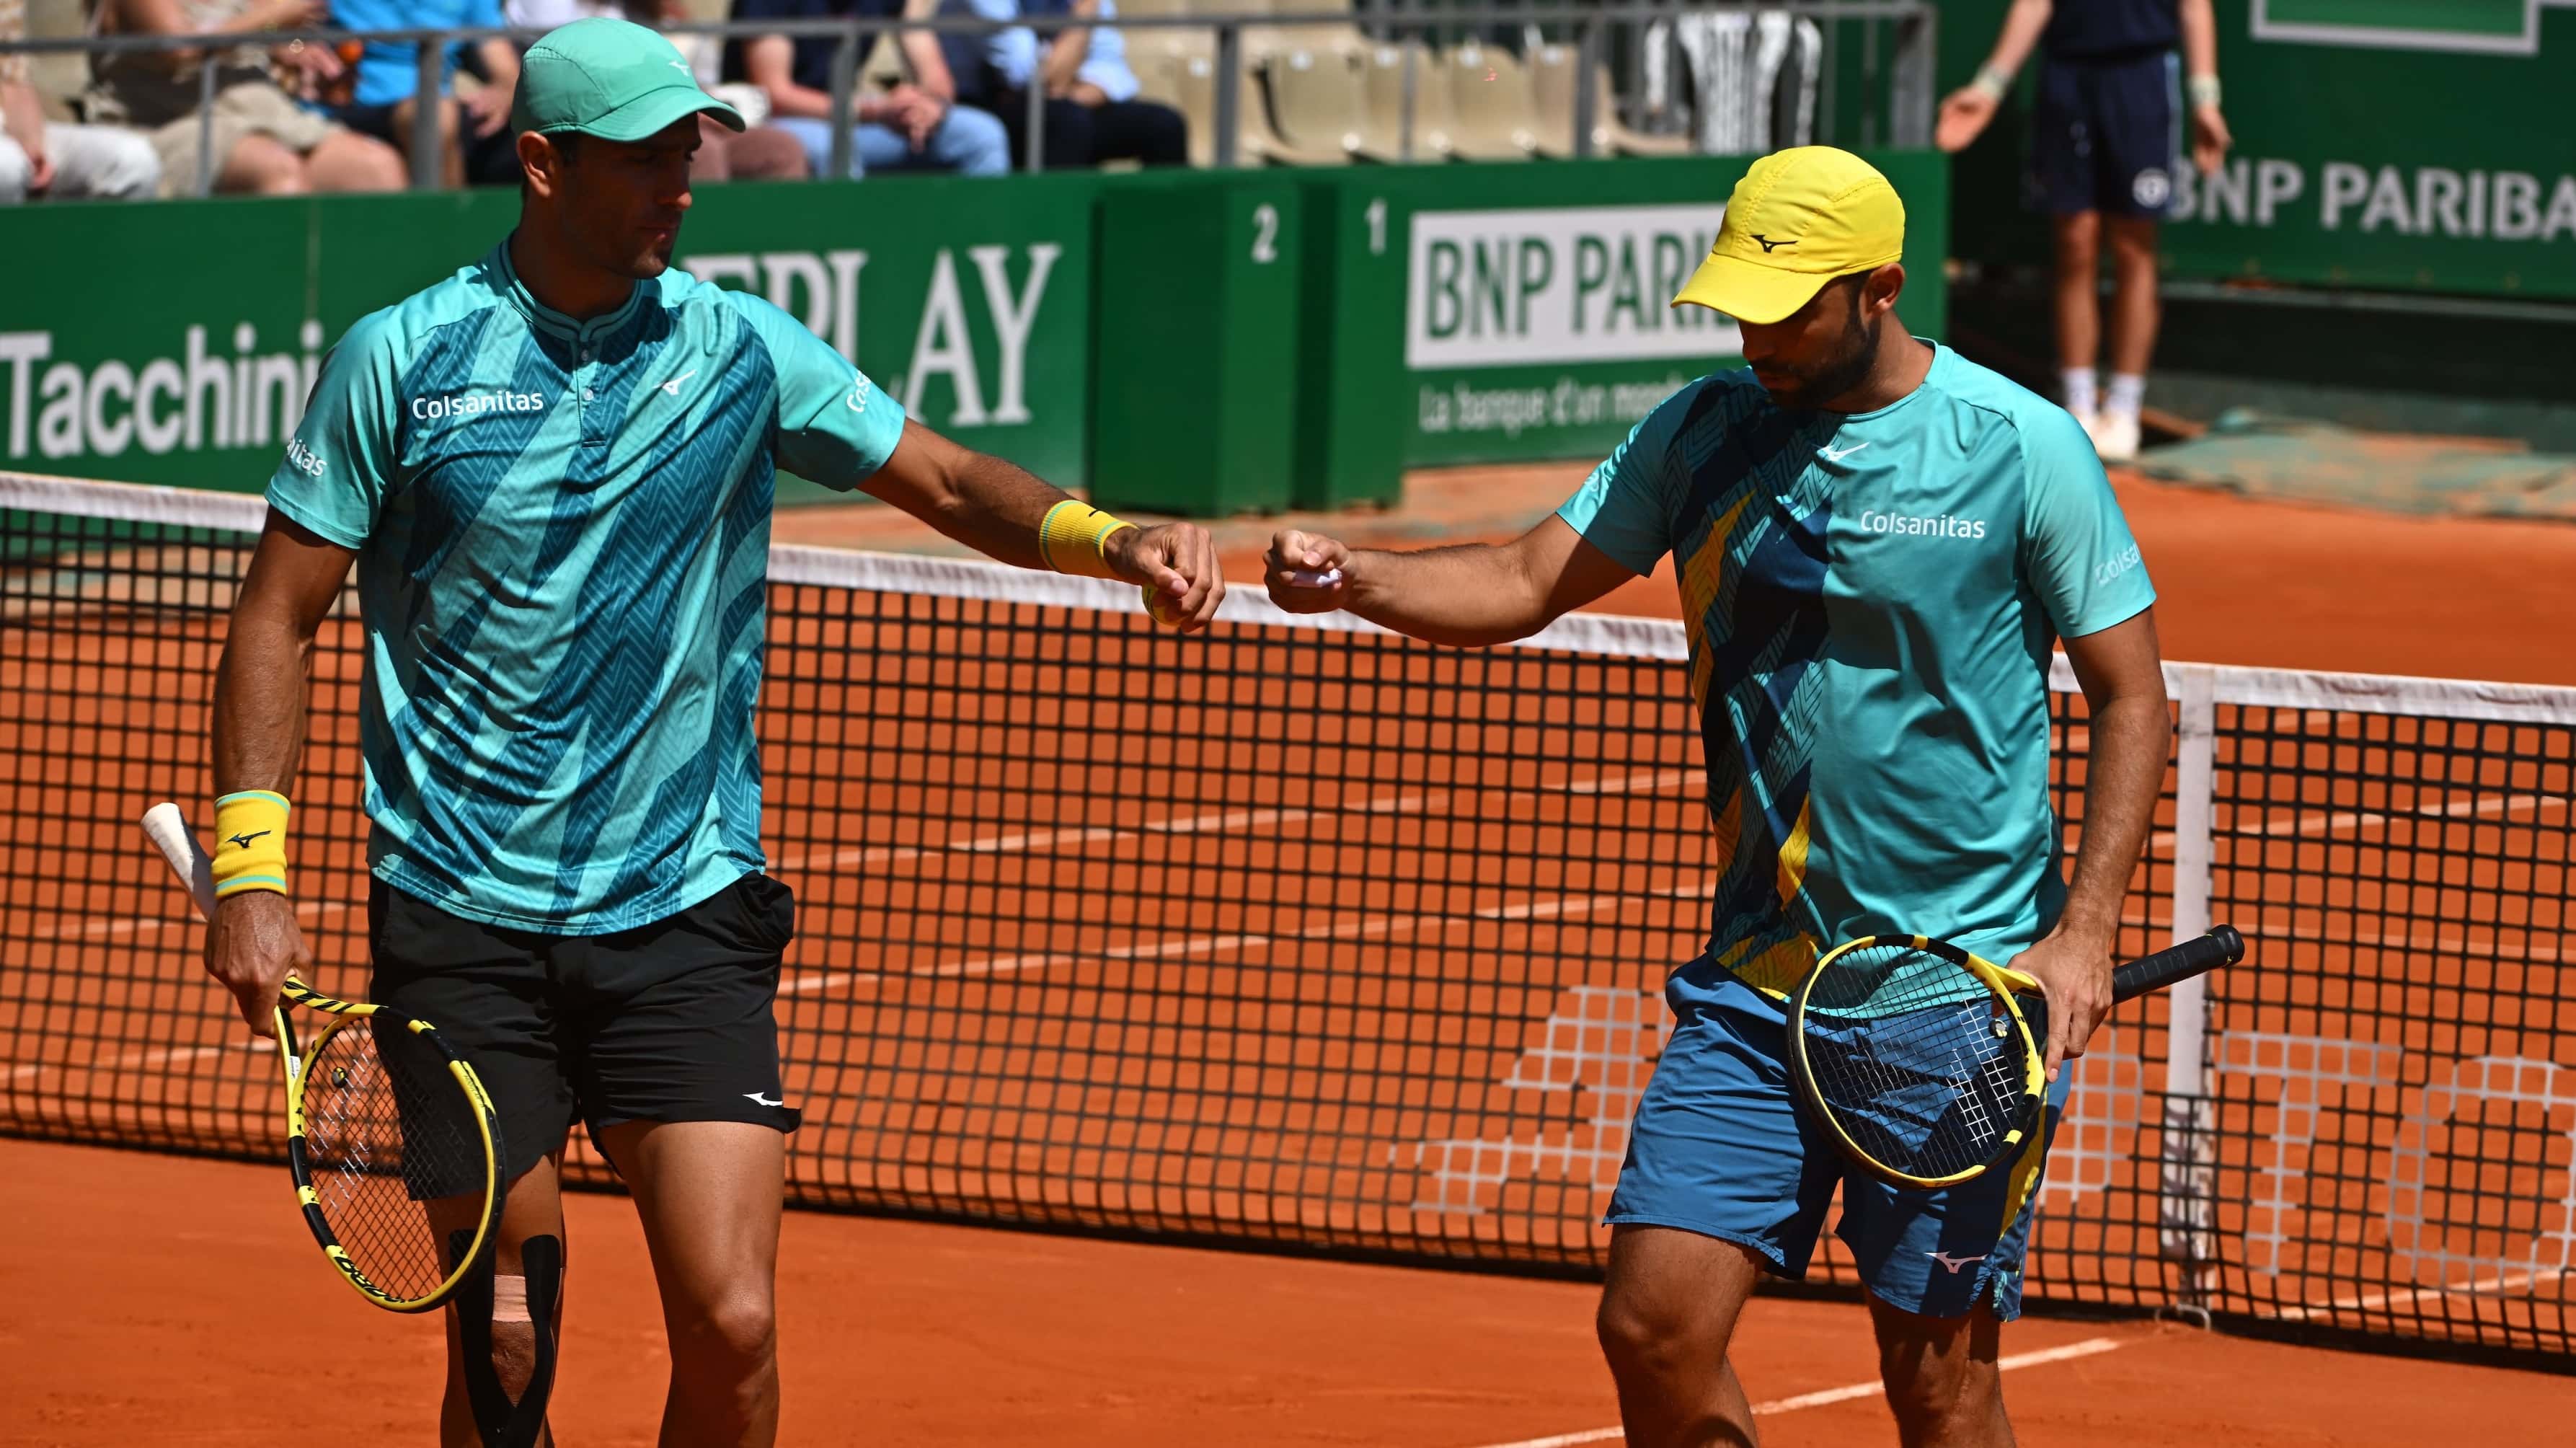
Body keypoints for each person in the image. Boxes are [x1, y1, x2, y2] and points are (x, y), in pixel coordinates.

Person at [198, 19, 1218, 1447]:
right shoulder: (406, 360)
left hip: (682, 912)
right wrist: (252, 869)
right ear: (542, 164)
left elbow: (940, 474)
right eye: (647, 157)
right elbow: (274, 615)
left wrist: (1111, 536)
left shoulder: (741, 347)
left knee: (733, 1325)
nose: (684, 182)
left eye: (692, 149)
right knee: (505, 1340)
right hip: (457, 917)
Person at [1263, 146, 2169, 1448]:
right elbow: (1522, 578)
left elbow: (2131, 695)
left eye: (1787, 306)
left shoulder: (2018, 448)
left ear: (1878, 289)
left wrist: (2081, 932)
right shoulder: (1702, 431)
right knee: (1652, 1323)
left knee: (1938, 1387)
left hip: (1958, 1000)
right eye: (1742, 302)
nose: (1757, 333)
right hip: (1755, 986)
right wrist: (1355, 577)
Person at [1937, 0, 2231, 464]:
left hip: (2143, 78)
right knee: (2075, 241)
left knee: (2134, 247)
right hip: (2067, 77)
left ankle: (2125, 407)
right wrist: (1990, 87)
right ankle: (2076, 404)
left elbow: (2195, 9)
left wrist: (2206, 99)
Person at [87, 0, 407, 195]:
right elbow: (178, 48)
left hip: (261, 115)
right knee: (274, 168)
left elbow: (263, 31)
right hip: (170, 122)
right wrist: (274, 16)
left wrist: (295, 51)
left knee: (377, 166)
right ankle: (279, 304)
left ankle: (373, 302)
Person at [503, 0, 810, 182]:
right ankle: (694, 255)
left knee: (780, 149)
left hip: (683, 112)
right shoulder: (547, 7)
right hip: (602, 123)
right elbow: (579, 79)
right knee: (699, 151)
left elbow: (696, 74)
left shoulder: (658, 9)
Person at [730, 0, 1010, 179]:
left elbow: (936, 76)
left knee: (981, 134)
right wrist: (877, 110)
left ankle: (982, 244)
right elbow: (776, 94)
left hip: (856, 116)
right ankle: (856, 253)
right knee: (835, 148)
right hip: (776, 122)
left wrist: (928, 107)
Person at [947, 0, 1184, 171]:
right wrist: (1084, 14)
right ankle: (1058, 232)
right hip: (986, 103)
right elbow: (1028, 75)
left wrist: (1070, 91)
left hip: (1069, 100)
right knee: (1067, 122)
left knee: (1164, 125)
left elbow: (1114, 71)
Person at [323, 0, 522, 186]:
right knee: (433, 117)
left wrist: (503, 92)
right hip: (349, 108)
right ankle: (445, 220)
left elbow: (504, 68)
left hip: (439, 106)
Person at [1, 0, 161, 200]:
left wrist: (33, 146)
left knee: (133, 161)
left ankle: (115, 233)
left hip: (10, 131)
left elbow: (12, 73)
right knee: (6, 168)